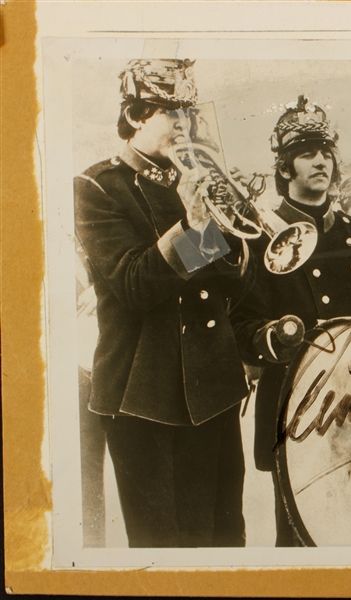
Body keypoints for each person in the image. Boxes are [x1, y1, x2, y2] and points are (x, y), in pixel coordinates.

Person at [74, 59, 251, 548]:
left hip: (213, 389)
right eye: (171, 113)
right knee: (163, 547)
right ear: (135, 116)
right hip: (143, 395)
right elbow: (133, 284)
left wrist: (235, 217)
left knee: (224, 537)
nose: (184, 125)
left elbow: (235, 287)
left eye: (188, 114)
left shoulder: (192, 181)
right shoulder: (97, 188)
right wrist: (194, 226)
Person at [229, 96, 351, 546]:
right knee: (298, 537)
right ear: (285, 168)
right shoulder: (260, 231)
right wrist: (275, 337)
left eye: (326, 152)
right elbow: (243, 324)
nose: (321, 161)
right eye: (306, 153)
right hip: (293, 402)